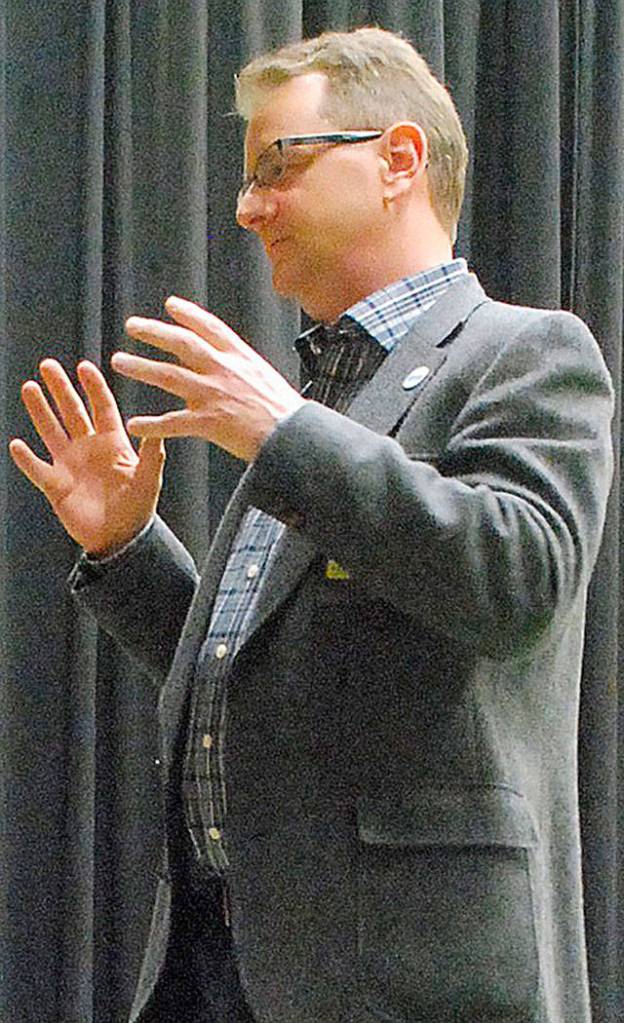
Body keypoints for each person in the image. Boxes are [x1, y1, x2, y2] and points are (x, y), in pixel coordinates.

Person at [9, 26, 614, 1023]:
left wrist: (284, 433)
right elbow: (267, 686)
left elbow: (520, 582)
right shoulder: (320, 404)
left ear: (398, 160)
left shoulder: (523, 355)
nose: (246, 209)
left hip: (406, 983)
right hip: (222, 973)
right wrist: (126, 546)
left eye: (276, 168)